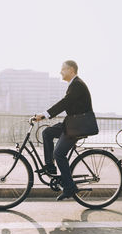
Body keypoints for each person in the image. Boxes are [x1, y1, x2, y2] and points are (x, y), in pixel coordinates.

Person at [34, 60, 94, 201]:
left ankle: (69, 187)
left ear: (71, 70)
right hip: (71, 123)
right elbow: (67, 104)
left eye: (63, 69)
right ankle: (50, 167)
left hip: (77, 126)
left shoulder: (77, 84)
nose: (61, 72)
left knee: (59, 154)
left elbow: (64, 103)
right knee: (47, 133)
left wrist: (45, 115)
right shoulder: (74, 84)